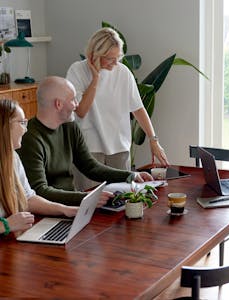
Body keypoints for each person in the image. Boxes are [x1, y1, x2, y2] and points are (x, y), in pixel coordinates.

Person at [17, 76, 153, 207]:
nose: (77, 105)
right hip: (50, 211)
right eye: (73, 99)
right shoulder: (29, 138)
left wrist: (131, 175)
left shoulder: (70, 126)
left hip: (73, 204)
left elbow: (90, 166)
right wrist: (87, 198)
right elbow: (39, 192)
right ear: (58, 104)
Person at [66, 27, 169, 190]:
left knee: (122, 199)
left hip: (119, 148)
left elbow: (138, 108)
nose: (115, 63)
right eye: (110, 58)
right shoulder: (77, 71)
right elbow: (81, 111)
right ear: (95, 54)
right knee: (90, 201)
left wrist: (153, 140)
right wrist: (95, 79)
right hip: (89, 150)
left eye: (118, 57)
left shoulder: (123, 72)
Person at [0, 99, 79, 236]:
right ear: (5, 125)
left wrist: (63, 209)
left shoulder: (12, 158)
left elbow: (28, 198)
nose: (26, 129)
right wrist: (5, 225)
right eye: (22, 123)